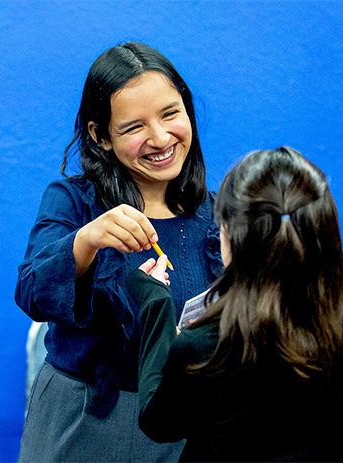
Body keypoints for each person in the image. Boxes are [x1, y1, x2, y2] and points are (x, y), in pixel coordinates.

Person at [15, 42, 223, 462]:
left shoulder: (218, 215)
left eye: (170, 114)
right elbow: (31, 290)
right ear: (100, 136)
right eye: (134, 127)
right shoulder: (74, 200)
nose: (160, 138)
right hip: (83, 417)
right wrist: (86, 239)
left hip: (185, 423)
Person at [128, 147, 343, 461]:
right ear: (325, 237)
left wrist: (154, 302)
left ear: (230, 236)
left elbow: (159, 424)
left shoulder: (204, 353)